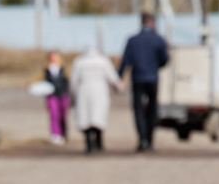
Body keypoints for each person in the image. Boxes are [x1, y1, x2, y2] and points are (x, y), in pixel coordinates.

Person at [118, 12, 169, 152]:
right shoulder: (158, 39)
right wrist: (155, 66)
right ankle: (150, 140)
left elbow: (125, 61)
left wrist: (119, 77)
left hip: (138, 79)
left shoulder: (133, 40)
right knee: (152, 110)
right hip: (152, 79)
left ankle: (142, 140)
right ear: (152, 23)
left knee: (138, 110)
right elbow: (165, 60)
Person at [70, 45, 121, 154]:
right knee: (98, 117)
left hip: (84, 91)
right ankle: (98, 142)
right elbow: (112, 77)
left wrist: (73, 96)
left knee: (86, 117)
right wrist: (118, 87)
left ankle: (89, 143)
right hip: (100, 91)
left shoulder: (79, 62)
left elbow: (73, 81)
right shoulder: (103, 61)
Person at [42, 51, 71, 145]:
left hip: (63, 95)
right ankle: (55, 135)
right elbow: (43, 83)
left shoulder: (64, 69)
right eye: (52, 57)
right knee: (54, 115)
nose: (54, 59)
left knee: (63, 116)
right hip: (52, 95)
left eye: (55, 57)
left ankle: (63, 134)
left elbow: (69, 82)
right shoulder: (46, 70)